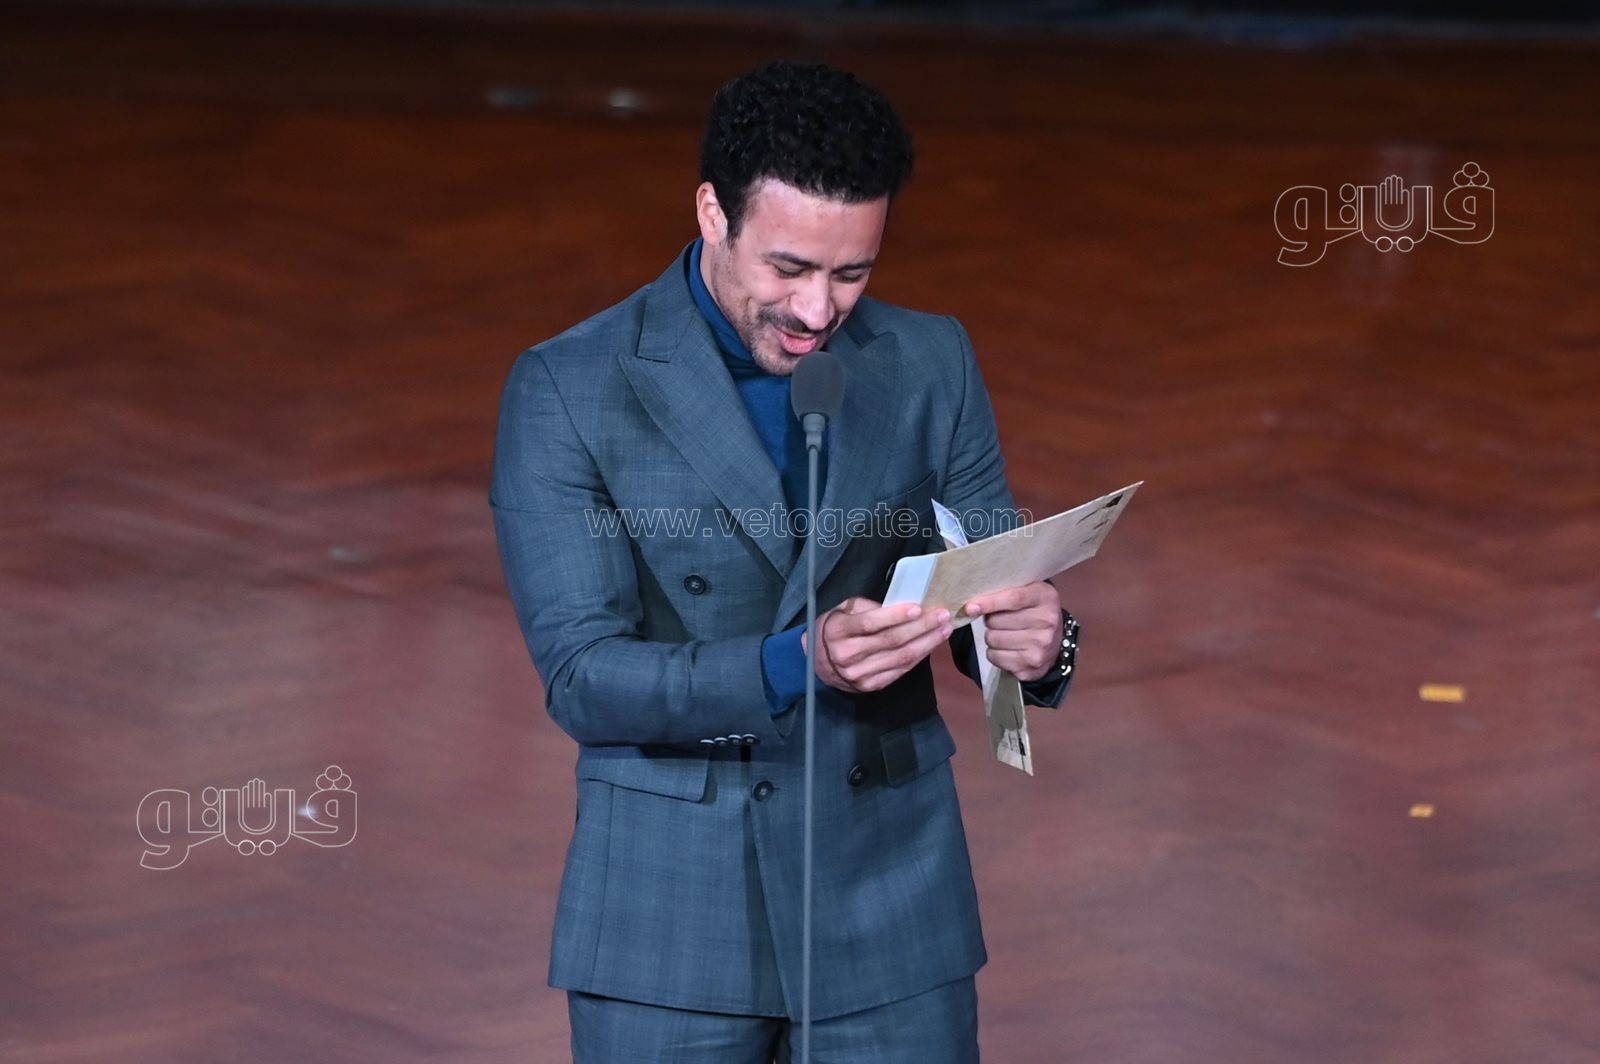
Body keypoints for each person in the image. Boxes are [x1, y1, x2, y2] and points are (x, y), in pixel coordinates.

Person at [491, 59, 1078, 1064]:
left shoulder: (931, 361)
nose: (816, 311)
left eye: (852, 274)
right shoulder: (568, 388)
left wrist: (1031, 643)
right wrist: (796, 661)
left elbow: (984, 582)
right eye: (789, 269)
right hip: (668, 915)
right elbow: (584, 678)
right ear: (711, 213)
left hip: (890, 899)